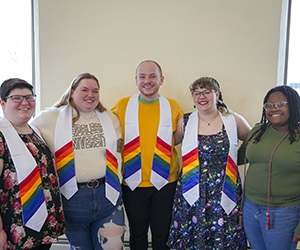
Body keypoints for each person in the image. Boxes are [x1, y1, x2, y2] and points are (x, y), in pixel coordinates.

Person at [31, 73, 125, 250]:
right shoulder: (51, 117)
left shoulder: (110, 118)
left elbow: (122, 147)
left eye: (95, 91)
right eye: (84, 89)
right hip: (73, 199)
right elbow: (23, 132)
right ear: (72, 91)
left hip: (108, 195)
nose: (90, 94)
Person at [167, 77, 251, 249]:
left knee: (224, 235)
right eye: (196, 93)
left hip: (224, 187)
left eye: (206, 92)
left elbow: (255, 144)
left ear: (217, 94)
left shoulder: (234, 120)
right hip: (191, 187)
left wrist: (237, 159)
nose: (201, 96)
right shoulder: (185, 122)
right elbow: (167, 145)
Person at [111, 60, 184, 250]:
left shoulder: (173, 106)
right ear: (136, 80)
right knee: (137, 235)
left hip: (166, 181)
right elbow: (112, 137)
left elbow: (176, 139)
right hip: (134, 182)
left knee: (163, 235)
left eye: (153, 76)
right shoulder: (122, 105)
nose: (147, 81)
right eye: (142, 76)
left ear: (161, 79)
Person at [0, 78, 65, 249]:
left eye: (29, 97)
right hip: (16, 230)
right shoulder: (1, 136)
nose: (25, 102)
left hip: (43, 226)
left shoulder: (35, 132)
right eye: (16, 98)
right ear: (2, 103)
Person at [239, 85, 300, 250]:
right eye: (269, 105)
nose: (274, 109)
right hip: (250, 207)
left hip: (284, 212)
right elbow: (238, 157)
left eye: (281, 104)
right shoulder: (258, 131)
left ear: (293, 105)